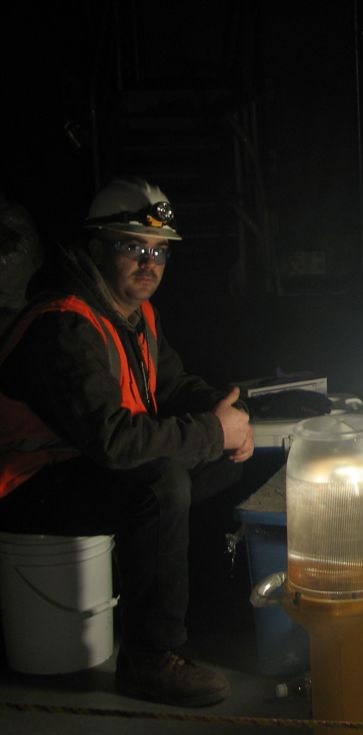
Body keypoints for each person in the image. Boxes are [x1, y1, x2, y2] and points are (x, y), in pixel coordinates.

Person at [0, 176, 255, 707]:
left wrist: (226, 412)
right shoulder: (63, 326)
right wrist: (211, 431)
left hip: (79, 473)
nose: (149, 263)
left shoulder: (134, 315)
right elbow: (114, 441)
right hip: (25, 490)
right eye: (133, 247)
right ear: (96, 247)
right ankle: (149, 658)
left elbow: (172, 386)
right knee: (160, 483)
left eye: (159, 251)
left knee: (219, 463)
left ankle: (193, 616)